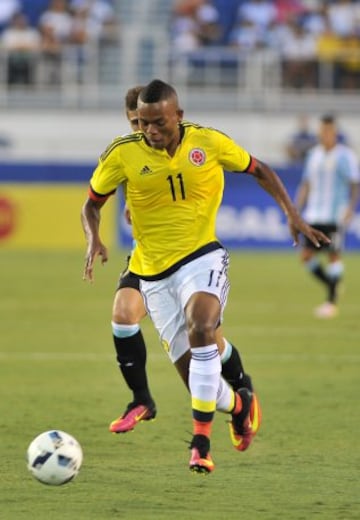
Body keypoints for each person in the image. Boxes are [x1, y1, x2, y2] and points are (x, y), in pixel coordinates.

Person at [81, 79, 329, 474]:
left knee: (202, 325)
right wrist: (94, 238)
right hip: (153, 274)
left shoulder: (208, 143)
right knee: (206, 387)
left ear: (178, 116)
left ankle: (200, 444)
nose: (150, 131)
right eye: (143, 124)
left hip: (202, 256)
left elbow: (259, 169)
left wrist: (292, 213)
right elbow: (91, 204)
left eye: (158, 122)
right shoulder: (122, 154)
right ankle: (240, 403)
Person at [106, 85, 258, 438]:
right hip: (146, 259)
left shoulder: (186, 145)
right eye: (135, 122)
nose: (142, 129)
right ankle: (141, 399)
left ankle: (241, 388)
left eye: (145, 121)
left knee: (210, 341)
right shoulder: (130, 151)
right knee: (123, 314)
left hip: (189, 259)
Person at [295, 113, 360, 318]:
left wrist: (350, 208)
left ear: (335, 132)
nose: (325, 134)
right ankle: (332, 284)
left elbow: (354, 184)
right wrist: (296, 208)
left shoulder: (345, 155)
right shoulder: (313, 155)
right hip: (314, 214)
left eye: (328, 131)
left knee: (333, 255)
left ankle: (331, 303)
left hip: (335, 215)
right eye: (322, 131)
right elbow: (306, 183)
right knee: (306, 257)